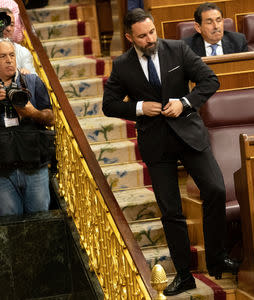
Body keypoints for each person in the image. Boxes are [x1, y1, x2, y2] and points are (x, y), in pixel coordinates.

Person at [102, 9, 238, 296]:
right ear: (129, 37)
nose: (150, 39)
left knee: (214, 189)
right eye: (142, 36)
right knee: (170, 211)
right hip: (155, 143)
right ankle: (184, 274)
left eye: (152, 32)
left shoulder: (177, 49)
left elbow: (210, 81)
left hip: (189, 133)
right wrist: (139, 108)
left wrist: (185, 102)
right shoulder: (122, 65)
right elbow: (109, 104)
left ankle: (216, 258)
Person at [0, 38, 55, 216]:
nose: (9, 60)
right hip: (3, 171)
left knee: (41, 219)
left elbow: (51, 118)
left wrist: (32, 112)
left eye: (11, 55)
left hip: (34, 165)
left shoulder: (32, 81)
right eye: (2, 56)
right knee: (11, 226)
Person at [183, 2, 248, 57]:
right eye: (209, 22)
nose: (216, 26)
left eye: (218, 20)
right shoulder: (186, 48)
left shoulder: (238, 41)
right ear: (198, 27)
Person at [0, 8, 36, 74]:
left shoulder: (23, 52)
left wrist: (28, 75)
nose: (8, 28)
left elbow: (35, 81)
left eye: (12, 25)